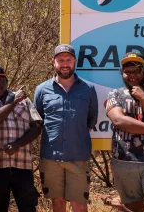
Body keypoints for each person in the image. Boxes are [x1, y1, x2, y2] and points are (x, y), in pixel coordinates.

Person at [34, 44, 98, 212]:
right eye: (60, 60)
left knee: (79, 204)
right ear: (53, 62)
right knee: (58, 203)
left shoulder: (88, 89)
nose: (65, 63)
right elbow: (38, 120)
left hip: (78, 157)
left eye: (68, 60)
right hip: (50, 158)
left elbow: (91, 120)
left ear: (75, 61)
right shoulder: (41, 90)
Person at [105, 52, 144, 212]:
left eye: (136, 71)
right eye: (128, 72)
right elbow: (119, 121)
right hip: (123, 161)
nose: (132, 75)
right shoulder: (115, 94)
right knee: (131, 208)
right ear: (122, 73)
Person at [0, 64, 42, 212]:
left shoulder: (24, 100)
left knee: (28, 208)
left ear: (6, 81)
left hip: (22, 165)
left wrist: (18, 144)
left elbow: (37, 126)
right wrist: (13, 102)